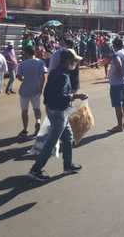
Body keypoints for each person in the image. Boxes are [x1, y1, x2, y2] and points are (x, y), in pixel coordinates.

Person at [28, 49, 87, 181]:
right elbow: (59, 96)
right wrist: (75, 96)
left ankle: (67, 166)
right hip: (58, 111)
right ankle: (36, 169)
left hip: (55, 109)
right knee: (51, 142)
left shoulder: (57, 72)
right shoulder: (62, 76)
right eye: (74, 61)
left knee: (68, 137)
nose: (75, 64)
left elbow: (49, 94)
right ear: (67, 61)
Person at [17, 45, 47, 137]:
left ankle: (25, 130)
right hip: (36, 89)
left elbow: (19, 76)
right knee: (37, 109)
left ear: (26, 53)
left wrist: (24, 79)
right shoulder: (40, 62)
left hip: (25, 90)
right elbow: (43, 76)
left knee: (24, 111)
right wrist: (40, 88)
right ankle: (38, 121)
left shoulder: (22, 63)